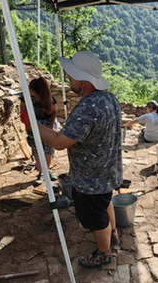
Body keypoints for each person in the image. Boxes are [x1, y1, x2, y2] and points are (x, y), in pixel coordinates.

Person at [35, 50, 123, 268]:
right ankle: (113, 234)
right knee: (105, 203)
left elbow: (60, 141)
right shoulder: (109, 98)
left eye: (72, 76)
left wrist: (34, 127)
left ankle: (104, 253)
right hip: (107, 171)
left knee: (96, 218)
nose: (68, 79)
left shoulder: (88, 107)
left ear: (85, 81)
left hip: (91, 179)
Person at [20, 77, 59, 185]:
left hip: (46, 123)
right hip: (33, 123)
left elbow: (54, 112)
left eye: (31, 89)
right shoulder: (26, 97)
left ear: (37, 90)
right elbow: (23, 110)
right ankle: (41, 172)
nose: (29, 90)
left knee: (48, 148)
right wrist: (27, 125)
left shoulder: (49, 98)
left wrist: (51, 126)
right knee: (36, 147)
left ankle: (46, 171)